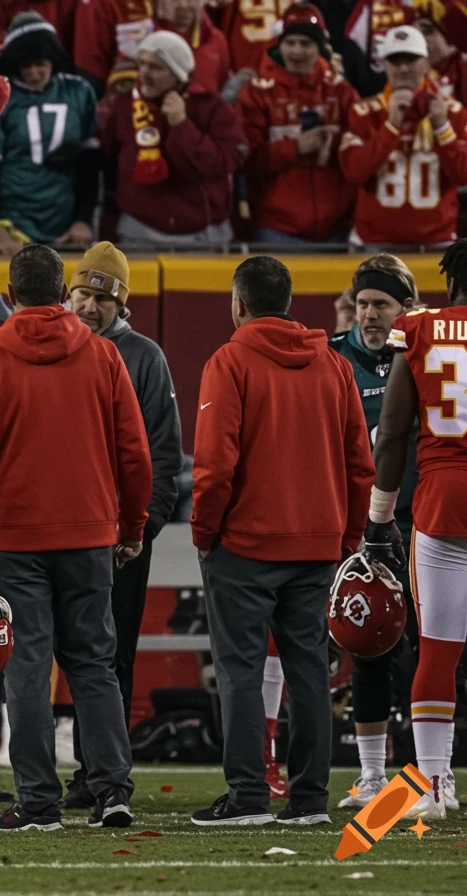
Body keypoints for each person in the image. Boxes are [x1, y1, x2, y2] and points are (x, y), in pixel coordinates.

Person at [0, 244, 149, 832]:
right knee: (94, 666)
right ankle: (111, 790)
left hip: (14, 538)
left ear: (10, 296)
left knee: (27, 669)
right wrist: (129, 527)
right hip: (87, 535)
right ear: (64, 294)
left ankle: (38, 802)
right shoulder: (105, 356)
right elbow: (134, 453)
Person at [190, 256, 373, 826]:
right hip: (317, 542)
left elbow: (215, 466)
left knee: (242, 672)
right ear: (289, 301)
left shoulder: (230, 360)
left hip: (244, 543)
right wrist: (346, 534)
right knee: (309, 672)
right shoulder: (335, 365)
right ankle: (310, 800)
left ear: (239, 303)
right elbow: (358, 463)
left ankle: (248, 796)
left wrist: (205, 532)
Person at [63, 241, 182, 811]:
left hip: (119, 536)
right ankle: (78, 770)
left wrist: (144, 527)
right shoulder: (50, 349)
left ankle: (100, 771)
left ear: (121, 306)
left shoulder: (145, 358)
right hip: (60, 531)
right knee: (57, 653)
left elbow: (163, 452)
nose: (90, 307)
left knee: (113, 657)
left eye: (101, 299)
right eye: (83, 294)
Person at [367, 240, 467, 821]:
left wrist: (381, 516)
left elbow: (393, 432)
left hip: (444, 498)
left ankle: (431, 788)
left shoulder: (421, 329)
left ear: (450, 280)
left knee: (438, 650)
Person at [329, 253, 421, 810]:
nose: (368, 314)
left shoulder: (427, 353)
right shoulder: (331, 358)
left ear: (405, 308)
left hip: (419, 517)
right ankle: (371, 777)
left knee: (426, 652)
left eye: (380, 304)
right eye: (362, 304)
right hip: (357, 524)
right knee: (366, 647)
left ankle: (427, 772)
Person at [0, 12, 97, 255]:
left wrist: (84, 218)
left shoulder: (79, 93)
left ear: (54, 60)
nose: (34, 72)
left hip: (67, 223)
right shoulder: (0, 99)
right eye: (26, 66)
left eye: (41, 64)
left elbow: (90, 163)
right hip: (15, 225)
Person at [102, 30, 244, 245]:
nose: (144, 73)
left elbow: (222, 163)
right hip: (139, 230)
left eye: (156, 67)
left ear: (178, 74)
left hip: (201, 235)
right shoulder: (124, 105)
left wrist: (182, 125)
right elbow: (108, 157)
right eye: (142, 64)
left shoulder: (211, 107)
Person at [235, 3, 359, 244]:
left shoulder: (342, 92)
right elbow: (246, 159)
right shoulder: (256, 93)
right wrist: (296, 147)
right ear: (279, 44)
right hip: (276, 227)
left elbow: (357, 157)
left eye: (306, 44)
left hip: (336, 226)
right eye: (290, 43)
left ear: (319, 48)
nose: (297, 51)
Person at [339, 24, 467, 247]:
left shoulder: (453, 112)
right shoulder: (363, 112)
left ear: (426, 63)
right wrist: (391, 126)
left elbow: (463, 176)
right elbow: (354, 172)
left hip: (437, 244)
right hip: (374, 244)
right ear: (384, 65)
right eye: (395, 61)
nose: (403, 68)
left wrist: (442, 128)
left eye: (411, 59)